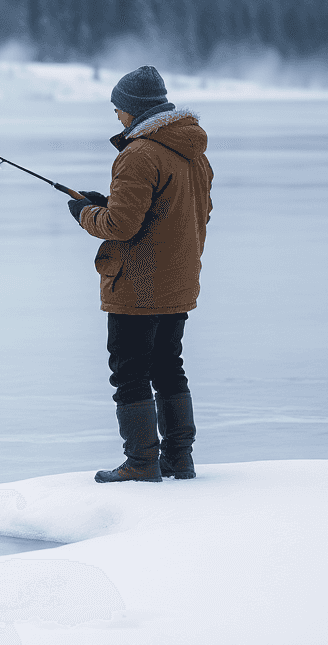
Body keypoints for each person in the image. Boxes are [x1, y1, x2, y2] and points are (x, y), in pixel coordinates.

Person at [67, 65, 214, 483]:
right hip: (178, 280)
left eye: (119, 108)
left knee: (129, 371)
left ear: (136, 109)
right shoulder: (193, 153)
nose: (116, 116)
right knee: (168, 365)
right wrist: (108, 202)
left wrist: (85, 213)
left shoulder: (139, 153)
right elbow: (185, 212)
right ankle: (178, 459)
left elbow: (120, 227)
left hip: (137, 284)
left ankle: (141, 462)